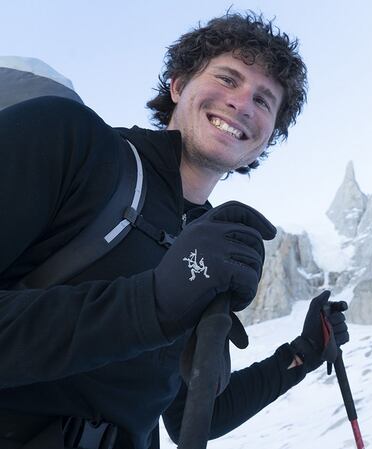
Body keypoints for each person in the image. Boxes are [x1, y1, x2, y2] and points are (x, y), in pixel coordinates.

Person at [0, 11, 349, 449]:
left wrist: (302, 354)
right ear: (179, 85)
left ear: (267, 136)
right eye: (227, 78)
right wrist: (151, 305)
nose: (242, 103)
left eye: (264, 101)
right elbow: (150, 309)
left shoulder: (210, 240)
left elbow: (195, 418)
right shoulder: (71, 141)